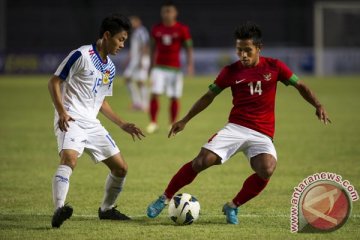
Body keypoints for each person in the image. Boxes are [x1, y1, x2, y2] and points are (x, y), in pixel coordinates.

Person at [146, 22, 331, 224]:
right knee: (201, 162)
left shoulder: (274, 67)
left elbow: (300, 86)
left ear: (259, 48)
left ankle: (232, 206)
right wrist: (185, 120)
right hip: (236, 128)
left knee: (267, 168)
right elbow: (208, 96)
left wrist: (318, 104)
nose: (243, 55)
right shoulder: (230, 71)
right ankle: (164, 198)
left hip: (262, 133)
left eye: (248, 50)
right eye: (239, 50)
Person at [48, 14, 145, 228]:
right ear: (107, 35)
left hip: (92, 124)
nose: (122, 45)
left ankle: (107, 209)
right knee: (69, 160)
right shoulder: (81, 55)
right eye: (120, 40)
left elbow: (101, 102)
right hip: (71, 118)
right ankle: (59, 210)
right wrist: (62, 112)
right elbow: (54, 82)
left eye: (125, 41)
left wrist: (122, 124)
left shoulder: (110, 67)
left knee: (121, 168)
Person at [146, 1, 194, 134]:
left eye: (169, 11)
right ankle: (153, 123)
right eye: (165, 11)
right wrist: (150, 65)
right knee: (155, 94)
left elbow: (189, 48)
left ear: (175, 13)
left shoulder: (182, 29)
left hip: (175, 69)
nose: (167, 14)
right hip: (159, 68)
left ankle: (171, 123)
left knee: (174, 96)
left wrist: (190, 64)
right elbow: (152, 48)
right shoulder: (156, 29)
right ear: (162, 13)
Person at [123, 16, 150, 111]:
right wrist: (128, 59)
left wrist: (142, 59)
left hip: (141, 59)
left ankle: (145, 105)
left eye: (132, 22)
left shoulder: (142, 31)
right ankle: (137, 102)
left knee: (141, 82)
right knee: (127, 79)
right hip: (135, 60)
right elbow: (135, 48)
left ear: (138, 22)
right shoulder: (135, 32)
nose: (131, 25)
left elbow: (145, 45)